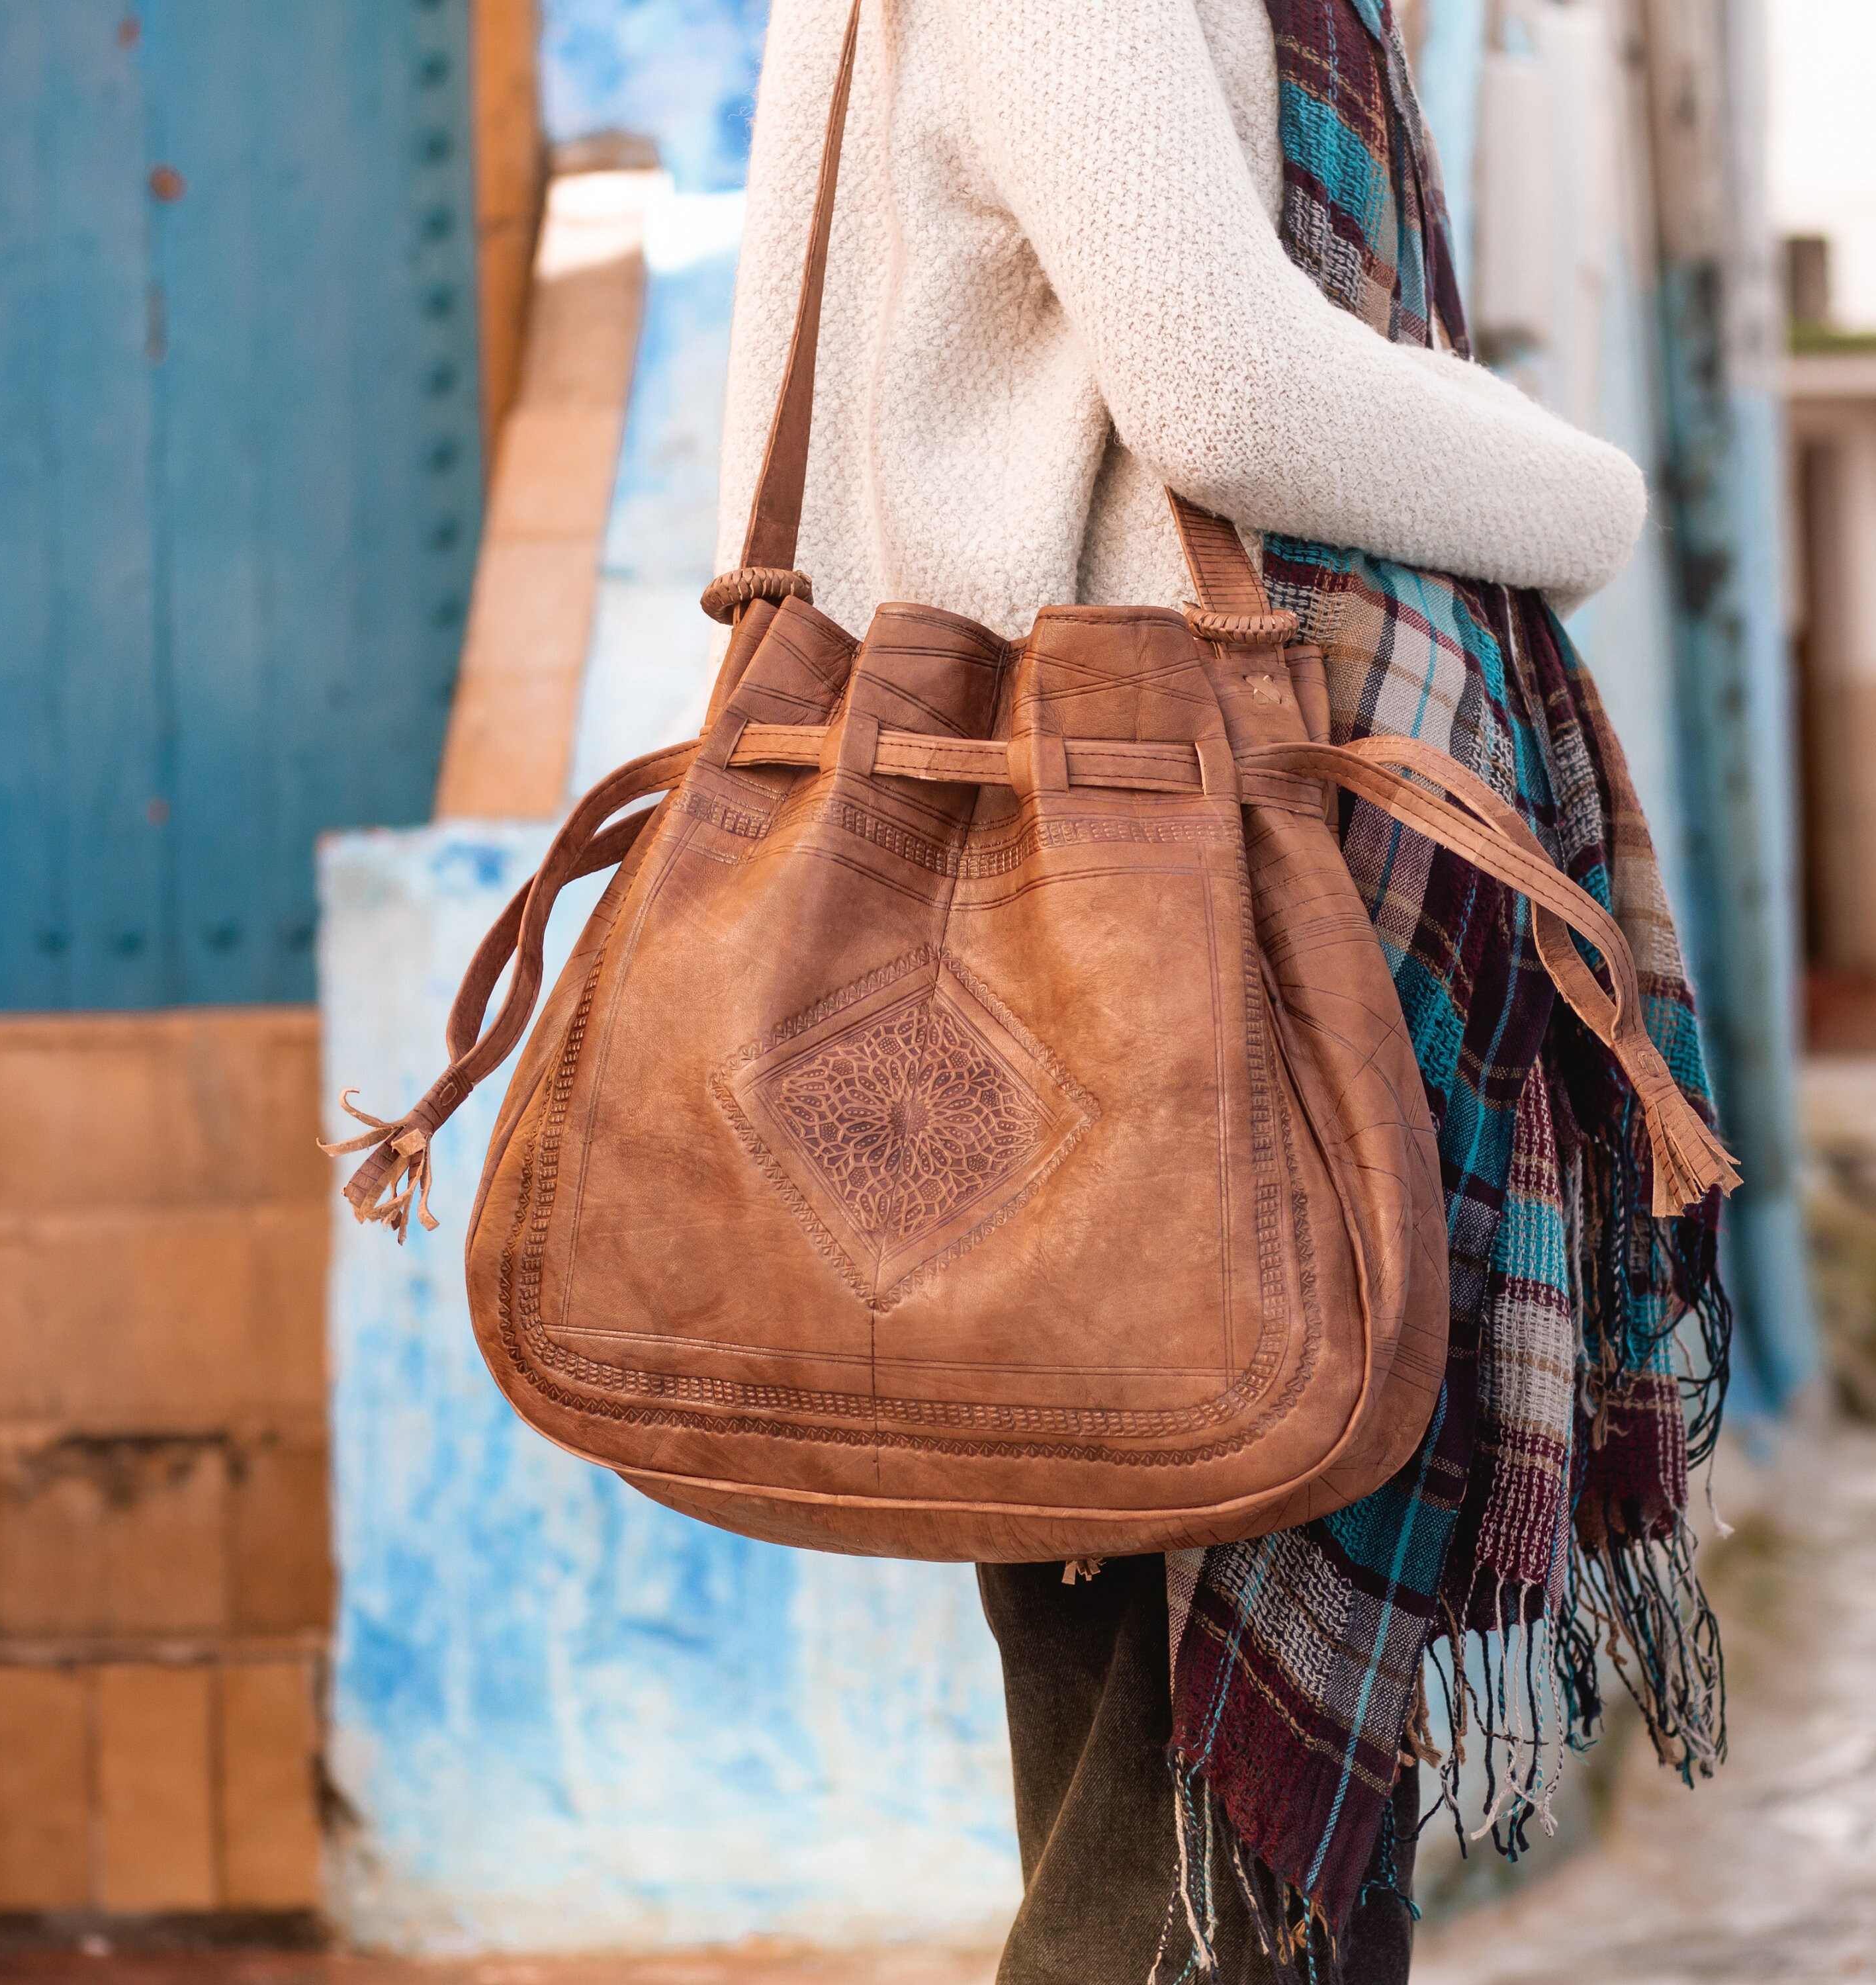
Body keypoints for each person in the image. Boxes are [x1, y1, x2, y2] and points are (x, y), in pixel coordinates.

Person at [711, 3, 1729, 1980]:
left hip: (1102, 924)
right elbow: (1227, 390)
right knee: (1184, 1860)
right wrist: (1582, 491)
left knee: (1167, 1804)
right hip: (1142, 933)